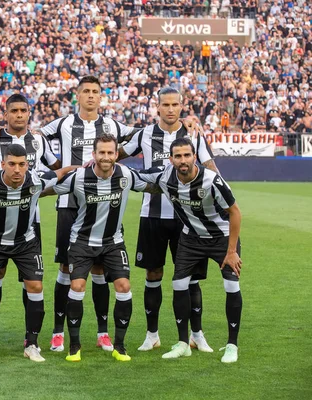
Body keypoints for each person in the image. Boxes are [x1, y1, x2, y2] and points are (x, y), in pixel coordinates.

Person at [0, 144, 77, 362]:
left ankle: (32, 344)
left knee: (36, 286)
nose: (17, 170)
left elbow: (59, 172)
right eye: (12, 164)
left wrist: (83, 166)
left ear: (27, 165)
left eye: (22, 164)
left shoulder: (36, 179)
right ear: (3, 164)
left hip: (25, 243)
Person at [118, 86, 219, 353]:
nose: (171, 109)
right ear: (158, 107)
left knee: (192, 278)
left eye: (175, 105)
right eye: (166, 105)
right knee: (153, 274)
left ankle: (197, 334)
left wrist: (219, 195)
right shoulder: (145, 134)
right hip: (152, 215)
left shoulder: (193, 133)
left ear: (181, 106)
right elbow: (115, 153)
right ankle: (152, 335)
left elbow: (209, 166)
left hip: (189, 218)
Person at [49, 135, 158, 362]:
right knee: (77, 285)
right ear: (94, 154)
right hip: (81, 241)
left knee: (124, 285)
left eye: (110, 153)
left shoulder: (125, 175)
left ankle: (119, 346)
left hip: (112, 242)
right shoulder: (79, 177)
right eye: (102, 153)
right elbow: (49, 188)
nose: (106, 157)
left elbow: (151, 185)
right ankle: (74, 346)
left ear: (116, 155)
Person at [137, 137, 243, 363]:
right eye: (178, 156)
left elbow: (235, 212)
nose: (183, 160)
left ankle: (232, 346)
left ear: (195, 157)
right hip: (191, 237)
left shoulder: (211, 180)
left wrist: (232, 251)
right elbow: (134, 174)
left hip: (221, 237)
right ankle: (183, 343)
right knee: (179, 284)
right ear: (171, 159)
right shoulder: (165, 176)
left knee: (231, 284)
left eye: (187, 155)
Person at [0, 93, 60, 347]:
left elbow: (56, 167)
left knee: (30, 279)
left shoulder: (38, 141)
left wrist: (38, 189)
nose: (19, 115)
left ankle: (29, 336)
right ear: (6, 113)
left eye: (23, 110)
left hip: (31, 223)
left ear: (29, 113)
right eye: (14, 111)